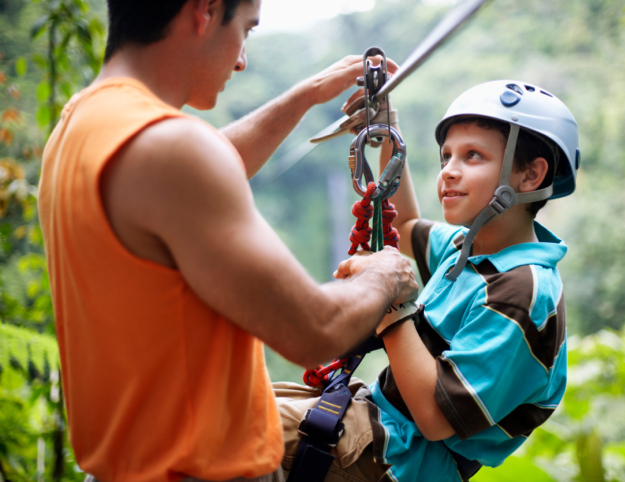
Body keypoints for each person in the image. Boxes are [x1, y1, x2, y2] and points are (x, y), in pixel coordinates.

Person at [36, 0, 419, 481]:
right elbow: (312, 330)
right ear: (205, 11)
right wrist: (386, 277)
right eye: (246, 29)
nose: (241, 60)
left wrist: (304, 96)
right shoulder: (172, 152)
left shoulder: (81, 123)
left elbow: (205, 165)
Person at [274, 79, 580, 482]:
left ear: (530, 176)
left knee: (230, 426)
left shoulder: (521, 292)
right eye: (446, 157)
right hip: (377, 424)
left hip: (403, 460)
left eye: (473, 156)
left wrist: (392, 304)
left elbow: (437, 418)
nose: (449, 171)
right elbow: (404, 223)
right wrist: (387, 130)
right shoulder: (467, 249)